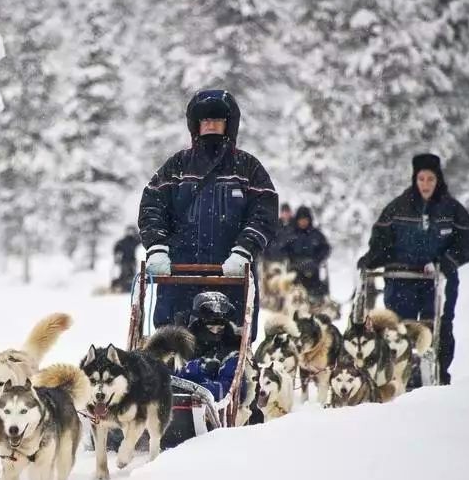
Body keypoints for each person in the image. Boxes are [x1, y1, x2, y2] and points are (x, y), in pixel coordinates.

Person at [138, 89, 278, 338]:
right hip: (180, 276)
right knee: (172, 346)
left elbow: (264, 213)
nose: (211, 125)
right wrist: (157, 247)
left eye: (218, 120)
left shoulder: (248, 168)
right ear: (196, 125)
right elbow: (152, 206)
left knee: (230, 345)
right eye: (206, 120)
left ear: (228, 125)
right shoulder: (177, 166)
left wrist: (243, 251)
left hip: (231, 275)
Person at [357, 153, 469, 385]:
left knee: (436, 328)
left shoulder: (450, 209)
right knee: (400, 328)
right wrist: (371, 259)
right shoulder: (398, 208)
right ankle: (403, 377)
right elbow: (381, 241)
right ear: (415, 179)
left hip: (433, 280)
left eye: (430, 179)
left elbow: (467, 240)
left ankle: (438, 373)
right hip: (400, 279)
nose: (425, 184)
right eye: (421, 179)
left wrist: (448, 260)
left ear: (438, 179)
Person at [282, 205, 332, 298]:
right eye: (301, 219)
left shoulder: (316, 234)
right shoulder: (290, 234)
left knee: (316, 294)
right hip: (294, 271)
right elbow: (283, 249)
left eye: (305, 219)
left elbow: (326, 248)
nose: (303, 222)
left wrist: (316, 260)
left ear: (309, 220)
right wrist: (292, 260)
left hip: (312, 271)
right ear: (297, 220)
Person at [110, 225, 141, 292]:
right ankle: (123, 286)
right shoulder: (123, 241)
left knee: (133, 274)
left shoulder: (136, 240)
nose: (130, 232)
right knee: (124, 273)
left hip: (133, 260)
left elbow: (141, 246)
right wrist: (116, 255)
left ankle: (130, 287)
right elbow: (117, 248)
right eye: (129, 231)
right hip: (124, 260)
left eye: (132, 231)